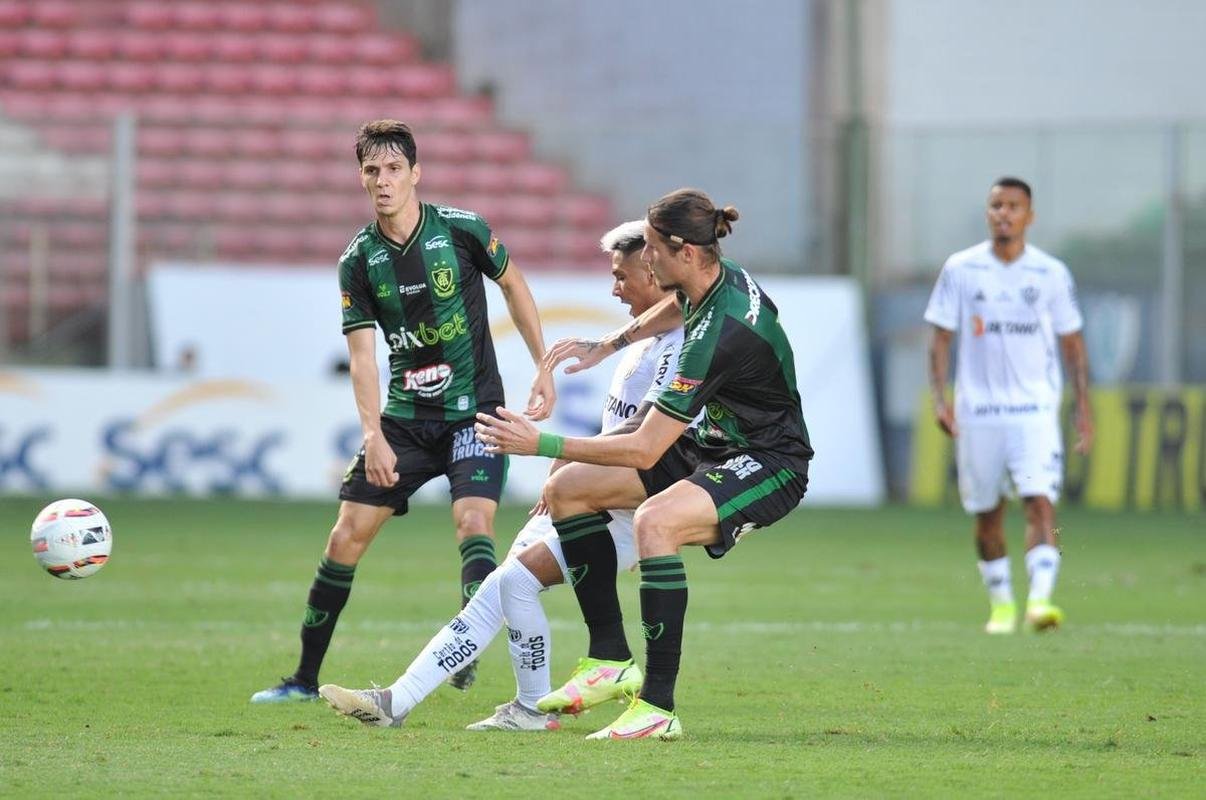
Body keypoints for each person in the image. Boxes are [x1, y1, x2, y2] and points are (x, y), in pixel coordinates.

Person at [317, 220, 694, 730]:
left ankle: (482, 704)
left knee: (513, 583)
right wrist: (572, 468)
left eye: (621, 276)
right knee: (500, 587)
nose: (615, 288)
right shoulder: (646, 341)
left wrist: (570, 462)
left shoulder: (683, 343)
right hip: (590, 490)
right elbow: (622, 423)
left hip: (621, 507)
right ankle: (414, 702)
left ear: (653, 271)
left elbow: (652, 436)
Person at [473, 188, 813, 740]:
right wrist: (610, 344)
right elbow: (679, 306)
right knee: (569, 489)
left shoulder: (718, 336)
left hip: (768, 461)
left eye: (652, 248)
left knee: (655, 522)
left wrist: (543, 444)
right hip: (714, 441)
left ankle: (657, 707)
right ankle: (609, 657)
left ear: (685, 252)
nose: (645, 258)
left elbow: (645, 449)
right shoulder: (717, 277)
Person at [250, 120, 554, 703]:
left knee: (473, 523)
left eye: (394, 169)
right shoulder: (359, 260)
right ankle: (304, 680)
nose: (383, 180)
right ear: (361, 179)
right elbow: (362, 358)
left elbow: (514, 285)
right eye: (372, 170)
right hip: (405, 421)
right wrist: (373, 434)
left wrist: (544, 364)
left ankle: (465, 646)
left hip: (474, 412)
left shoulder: (462, 230)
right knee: (345, 537)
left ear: (416, 173)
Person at [925, 176, 1093, 635]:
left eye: (1013, 206)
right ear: (988, 212)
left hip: (1034, 411)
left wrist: (1083, 406)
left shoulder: (1051, 273)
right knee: (988, 514)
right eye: (997, 205)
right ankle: (1001, 606)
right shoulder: (961, 269)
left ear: (1029, 216)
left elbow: (1073, 344)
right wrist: (940, 399)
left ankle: (1040, 600)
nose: (1004, 213)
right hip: (978, 413)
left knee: (1041, 504)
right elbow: (940, 339)